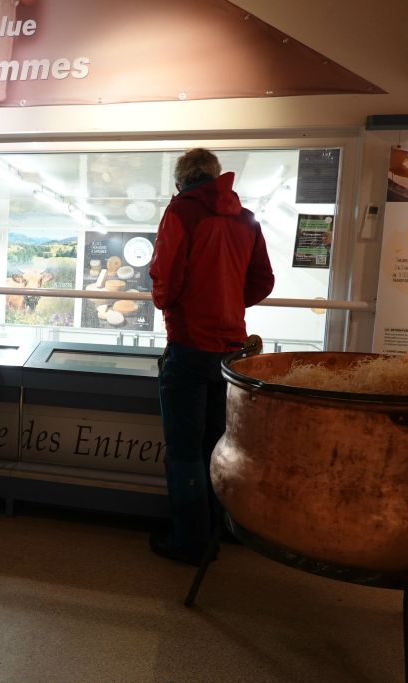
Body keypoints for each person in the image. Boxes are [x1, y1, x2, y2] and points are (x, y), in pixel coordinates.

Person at [148, 148, 275, 565]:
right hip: (231, 351)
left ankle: (190, 542)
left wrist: (173, 307)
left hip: (188, 345)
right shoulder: (245, 217)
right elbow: (263, 280)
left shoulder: (182, 211)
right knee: (217, 446)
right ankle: (219, 530)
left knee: (184, 449)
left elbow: (166, 278)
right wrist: (229, 304)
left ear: (181, 179)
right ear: (217, 176)